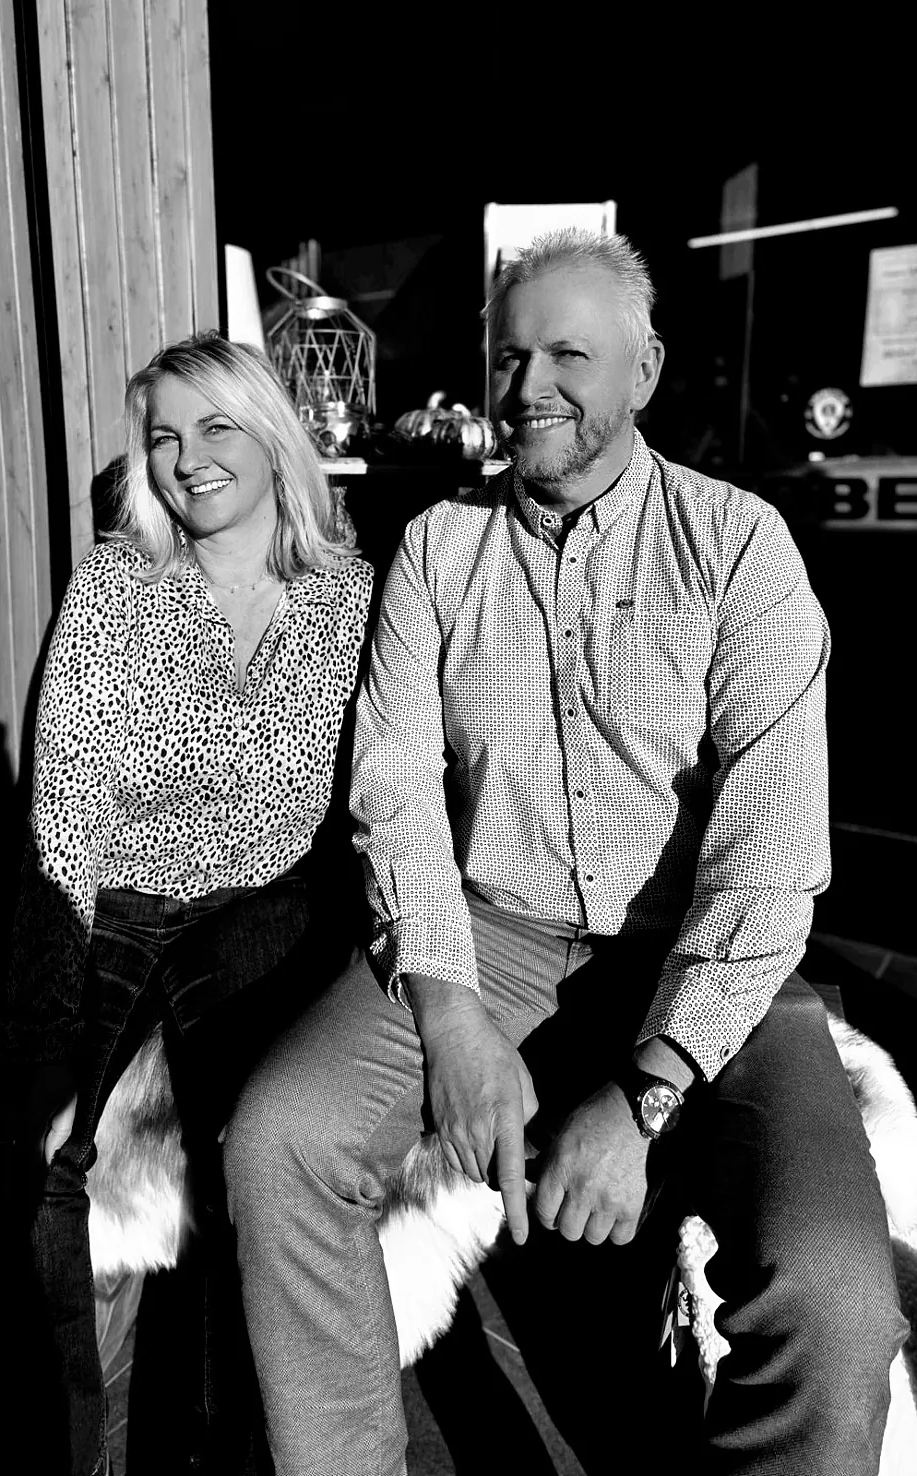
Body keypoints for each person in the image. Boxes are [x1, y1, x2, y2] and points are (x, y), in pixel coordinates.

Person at [222, 231, 909, 1476]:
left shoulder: (737, 546)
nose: (528, 384)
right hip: (491, 932)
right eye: (508, 356)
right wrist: (447, 1014)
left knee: (835, 1293)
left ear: (644, 371)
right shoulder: (438, 549)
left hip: (706, 952)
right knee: (282, 1141)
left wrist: (643, 1100)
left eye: (566, 356)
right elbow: (395, 791)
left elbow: (765, 857)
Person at [0, 331, 373, 1476]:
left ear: (273, 438)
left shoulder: (352, 600)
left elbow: (375, 801)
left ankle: (215, 1453)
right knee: (44, 1162)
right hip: (116, 902)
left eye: (215, 427)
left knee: (249, 1168)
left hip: (266, 908)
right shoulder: (116, 584)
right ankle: (74, 1450)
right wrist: (48, 1022)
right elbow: (66, 811)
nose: (187, 458)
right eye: (162, 437)